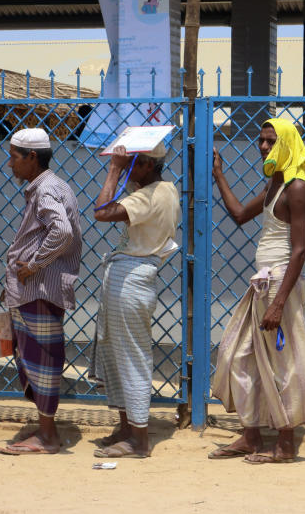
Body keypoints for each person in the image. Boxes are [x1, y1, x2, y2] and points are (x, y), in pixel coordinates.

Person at [209, 117, 305, 464]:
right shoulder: (276, 184)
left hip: (278, 287)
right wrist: (218, 175)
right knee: (240, 356)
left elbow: (299, 250)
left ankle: (285, 444)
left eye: (271, 142)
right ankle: (251, 433)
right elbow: (241, 214)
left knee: (282, 362)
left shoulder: (298, 188)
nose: (263, 147)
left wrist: (279, 303)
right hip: (264, 284)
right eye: (261, 140)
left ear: (287, 143)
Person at [90, 142, 181, 458]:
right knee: (119, 356)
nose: (128, 168)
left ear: (146, 166)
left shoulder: (146, 197)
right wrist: (128, 166)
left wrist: (114, 169)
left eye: (133, 164)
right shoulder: (167, 189)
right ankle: (128, 430)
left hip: (131, 280)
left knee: (130, 358)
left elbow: (101, 211)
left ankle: (138, 440)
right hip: (134, 277)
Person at [0, 128, 82, 455]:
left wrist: (33, 265)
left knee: (42, 361)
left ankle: (47, 436)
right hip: (37, 290)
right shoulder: (53, 186)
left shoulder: (46, 190)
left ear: (32, 157)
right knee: (35, 359)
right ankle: (45, 429)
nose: (10, 165)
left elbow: (60, 232)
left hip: (40, 290)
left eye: (14, 157)